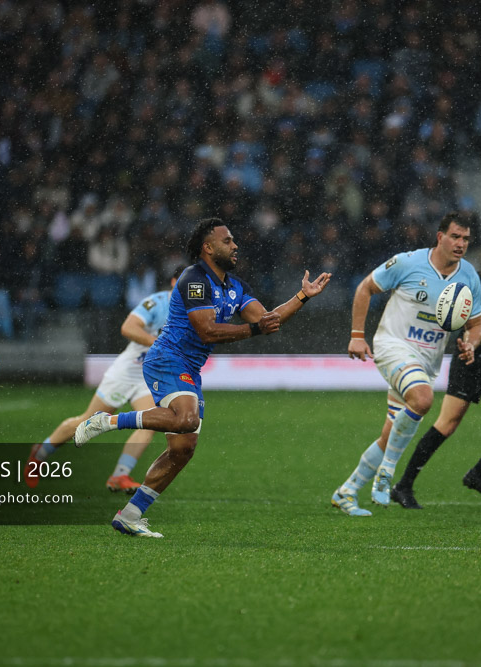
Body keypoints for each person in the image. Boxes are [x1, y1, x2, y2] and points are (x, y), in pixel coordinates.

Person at [74, 218, 331, 538]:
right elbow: (207, 330)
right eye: (227, 241)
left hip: (190, 369)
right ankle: (106, 421)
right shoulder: (193, 279)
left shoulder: (236, 287)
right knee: (186, 419)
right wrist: (254, 329)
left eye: (233, 240)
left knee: (183, 449)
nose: (235, 245)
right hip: (167, 359)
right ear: (208, 248)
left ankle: (130, 515)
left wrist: (302, 296)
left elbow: (268, 320)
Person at [331, 212, 481, 517]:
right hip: (393, 346)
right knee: (423, 399)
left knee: (390, 434)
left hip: (427, 361)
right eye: (455, 236)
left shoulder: (469, 276)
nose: (460, 243)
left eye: (466, 239)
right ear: (440, 237)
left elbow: (476, 325)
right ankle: (387, 472)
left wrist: (471, 343)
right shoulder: (408, 262)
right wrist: (357, 336)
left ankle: (346, 492)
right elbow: (365, 288)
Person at [390, 225, 481, 509]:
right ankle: (403, 486)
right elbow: (466, 317)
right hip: (469, 360)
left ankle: (478, 473)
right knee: (447, 424)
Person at [25, 268, 182, 492]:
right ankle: (39, 454)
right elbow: (128, 327)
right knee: (88, 421)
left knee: (149, 423)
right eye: (184, 282)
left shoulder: (192, 310)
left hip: (148, 376)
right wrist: (159, 344)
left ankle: (119, 475)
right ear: (174, 282)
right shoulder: (156, 303)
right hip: (126, 373)